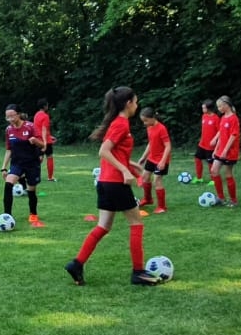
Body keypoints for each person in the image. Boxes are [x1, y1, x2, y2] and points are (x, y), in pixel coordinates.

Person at [66, 87, 158, 286]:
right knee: (136, 223)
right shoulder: (121, 124)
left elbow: (115, 154)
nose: (137, 105)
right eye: (135, 101)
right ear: (128, 103)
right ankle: (138, 272)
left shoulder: (117, 123)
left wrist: (131, 166)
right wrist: (124, 171)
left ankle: (77, 264)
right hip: (116, 183)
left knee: (103, 226)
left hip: (105, 183)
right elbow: (104, 151)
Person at [2, 105, 45, 227]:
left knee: (31, 190)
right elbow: (8, 150)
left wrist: (35, 141)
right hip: (17, 163)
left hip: (32, 163)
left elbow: (43, 145)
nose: (10, 119)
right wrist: (3, 167)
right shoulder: (8, 130)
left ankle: (33, 213)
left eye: (12, 116)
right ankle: (7, 215)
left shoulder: (30, 126)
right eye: (7, 117)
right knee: (8, 184)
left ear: (19, 114)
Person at [137, 106, 172, 213]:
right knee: (145, 177)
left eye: (146, 120)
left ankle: (162, 207)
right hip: (152, 158)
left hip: (161, 159)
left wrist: (163, 161)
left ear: (153, 118)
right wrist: (143, 157)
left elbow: (168, 146)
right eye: (143, 121)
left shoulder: (161, 128)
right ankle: (148, 199)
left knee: (157, 180)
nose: (144, 123)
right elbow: (151, 143)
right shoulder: (149, 127)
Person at [212, 95, 241, 206]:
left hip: (230, 151)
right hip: (221, 150)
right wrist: (216, 149)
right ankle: (221, 197)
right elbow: (221, 135)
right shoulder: (223, 118)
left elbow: (233, 136)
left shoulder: (234, 118)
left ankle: (233, 200)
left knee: (228, 174)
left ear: (226, 105)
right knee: (214, 171)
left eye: (220, 106)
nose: (218, 108)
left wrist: (225, 150)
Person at [194, 98, 220, 182]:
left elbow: (220, 131)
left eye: (204, 108)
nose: (202, 109)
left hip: (211, 145)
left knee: (210, 162)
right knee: (197, 158)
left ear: (209, 108)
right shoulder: (204, 116)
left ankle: (213, 180)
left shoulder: (216, 118)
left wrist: (215, 139)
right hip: (202, 144)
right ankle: (199, 178)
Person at [33, 99, 56, 181]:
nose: (48, 106)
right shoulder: (45, 116)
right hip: (45, 140)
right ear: (44, 106)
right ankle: (50, 177)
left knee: (39, 158)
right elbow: (43, 129)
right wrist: (45, 142)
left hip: (37, 139)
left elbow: (37, 128)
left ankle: (34, 175)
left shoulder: (36, 115)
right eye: (47, 105)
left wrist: (50, 136)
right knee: (49, 157)